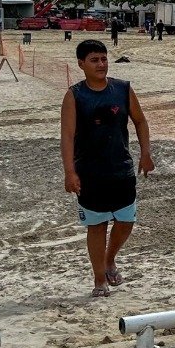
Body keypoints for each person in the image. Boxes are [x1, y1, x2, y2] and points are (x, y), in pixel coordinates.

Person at [61, 39, 153, 297]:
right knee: (97, 226)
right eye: (94, 60)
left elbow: (140, 121)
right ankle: (99, 279)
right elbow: (67, 136)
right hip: (90, 173)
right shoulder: (75, 95)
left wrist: (146, 153)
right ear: (81, 64)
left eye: (103, 59)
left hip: (121, 169)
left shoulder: (123, 89)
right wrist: (70, 172)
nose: (101, 64)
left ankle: (110, 258)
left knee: (126, 221)